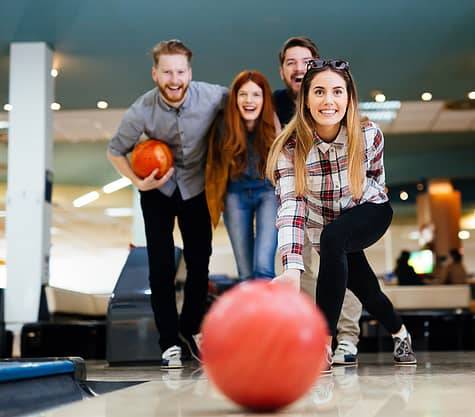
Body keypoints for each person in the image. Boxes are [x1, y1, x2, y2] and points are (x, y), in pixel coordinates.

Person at [266, 58, 417, 369]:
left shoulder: (369, 134)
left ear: (349, 98)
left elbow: (376, 178)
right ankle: (401, 334)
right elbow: (291, 210)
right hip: (325, 226)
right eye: (319, 92)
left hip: (369, 211)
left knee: (333, 237)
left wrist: (360, 208)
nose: (328, 100)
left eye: (337, 91)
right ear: (305, 99)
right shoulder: (289, 149)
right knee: (367, 290)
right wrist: (292, 269)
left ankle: (323, 342)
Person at [107, 40, 228, 369]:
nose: (174, 79)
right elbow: (115, 150)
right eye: (166, 72)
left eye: (180, 71)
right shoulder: (142, 109)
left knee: (199, 262)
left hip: (197, 188)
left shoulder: (213, 95)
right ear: (155, 74)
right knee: (160, 268)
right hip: (157, 190)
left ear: (190, 72)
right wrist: (137, 181)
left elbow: (247, 102)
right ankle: (169, 342)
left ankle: (191, 329)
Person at [273, 36, 363, 365]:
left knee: (345, 265)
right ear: (282, 70)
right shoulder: (277, 107)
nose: (298, 68)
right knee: (300, 268)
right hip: (301, 198)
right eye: (290, 62)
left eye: (305, 61)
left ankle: (348, 337)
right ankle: (312, 337)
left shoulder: (343, 111)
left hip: (340, 202)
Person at [205, 70, 279, 281]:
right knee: (246, 272)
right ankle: (249, 315)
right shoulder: (223, 124)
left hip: (268, 192)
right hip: (235, 194)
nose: (249, 100)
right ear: (235, 99)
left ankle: (266, 315)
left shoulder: (272, 124)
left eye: (256, 94)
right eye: (243, 94)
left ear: (264, 99)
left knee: (263, 268)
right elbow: (212, 163)